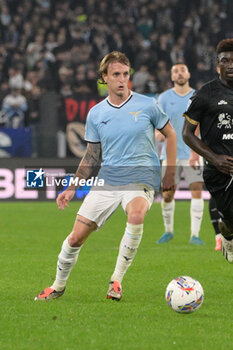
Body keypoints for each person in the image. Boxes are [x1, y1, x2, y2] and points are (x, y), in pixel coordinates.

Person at [35, 51, 177, 301]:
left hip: (141, 176)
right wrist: (72, 187)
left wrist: (170, 174)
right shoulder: (96, 114)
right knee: (75, 238)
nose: (122, 79)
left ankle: (116, 281)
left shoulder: (147, 105)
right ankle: (57, 286)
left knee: (136, 214)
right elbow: (91, 156)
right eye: (116, 75)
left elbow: (171, 135)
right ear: (104, 78)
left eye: (125, 74)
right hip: (108, 180)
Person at [182, 38, 233, 263]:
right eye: (225, 60)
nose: (231, 64)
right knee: (230, 220)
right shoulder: (205, 94)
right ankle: (227, 234)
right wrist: (214, 158)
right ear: (217, 65)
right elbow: (187, 133)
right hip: (218, 172)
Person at [155, 63, 204, 245]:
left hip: (193, 152)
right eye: (176, 71)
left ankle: (195, 235)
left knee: (196, 190)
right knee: (168, 193)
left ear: (189, 73)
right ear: (171, 76)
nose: (180, 73)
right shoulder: (164, 98)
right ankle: (168, 231)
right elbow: (157, 121)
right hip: (170, 154)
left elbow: (199, 124)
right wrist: (157, 133)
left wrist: (194, 152)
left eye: (183, 70)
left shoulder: (197, 96)